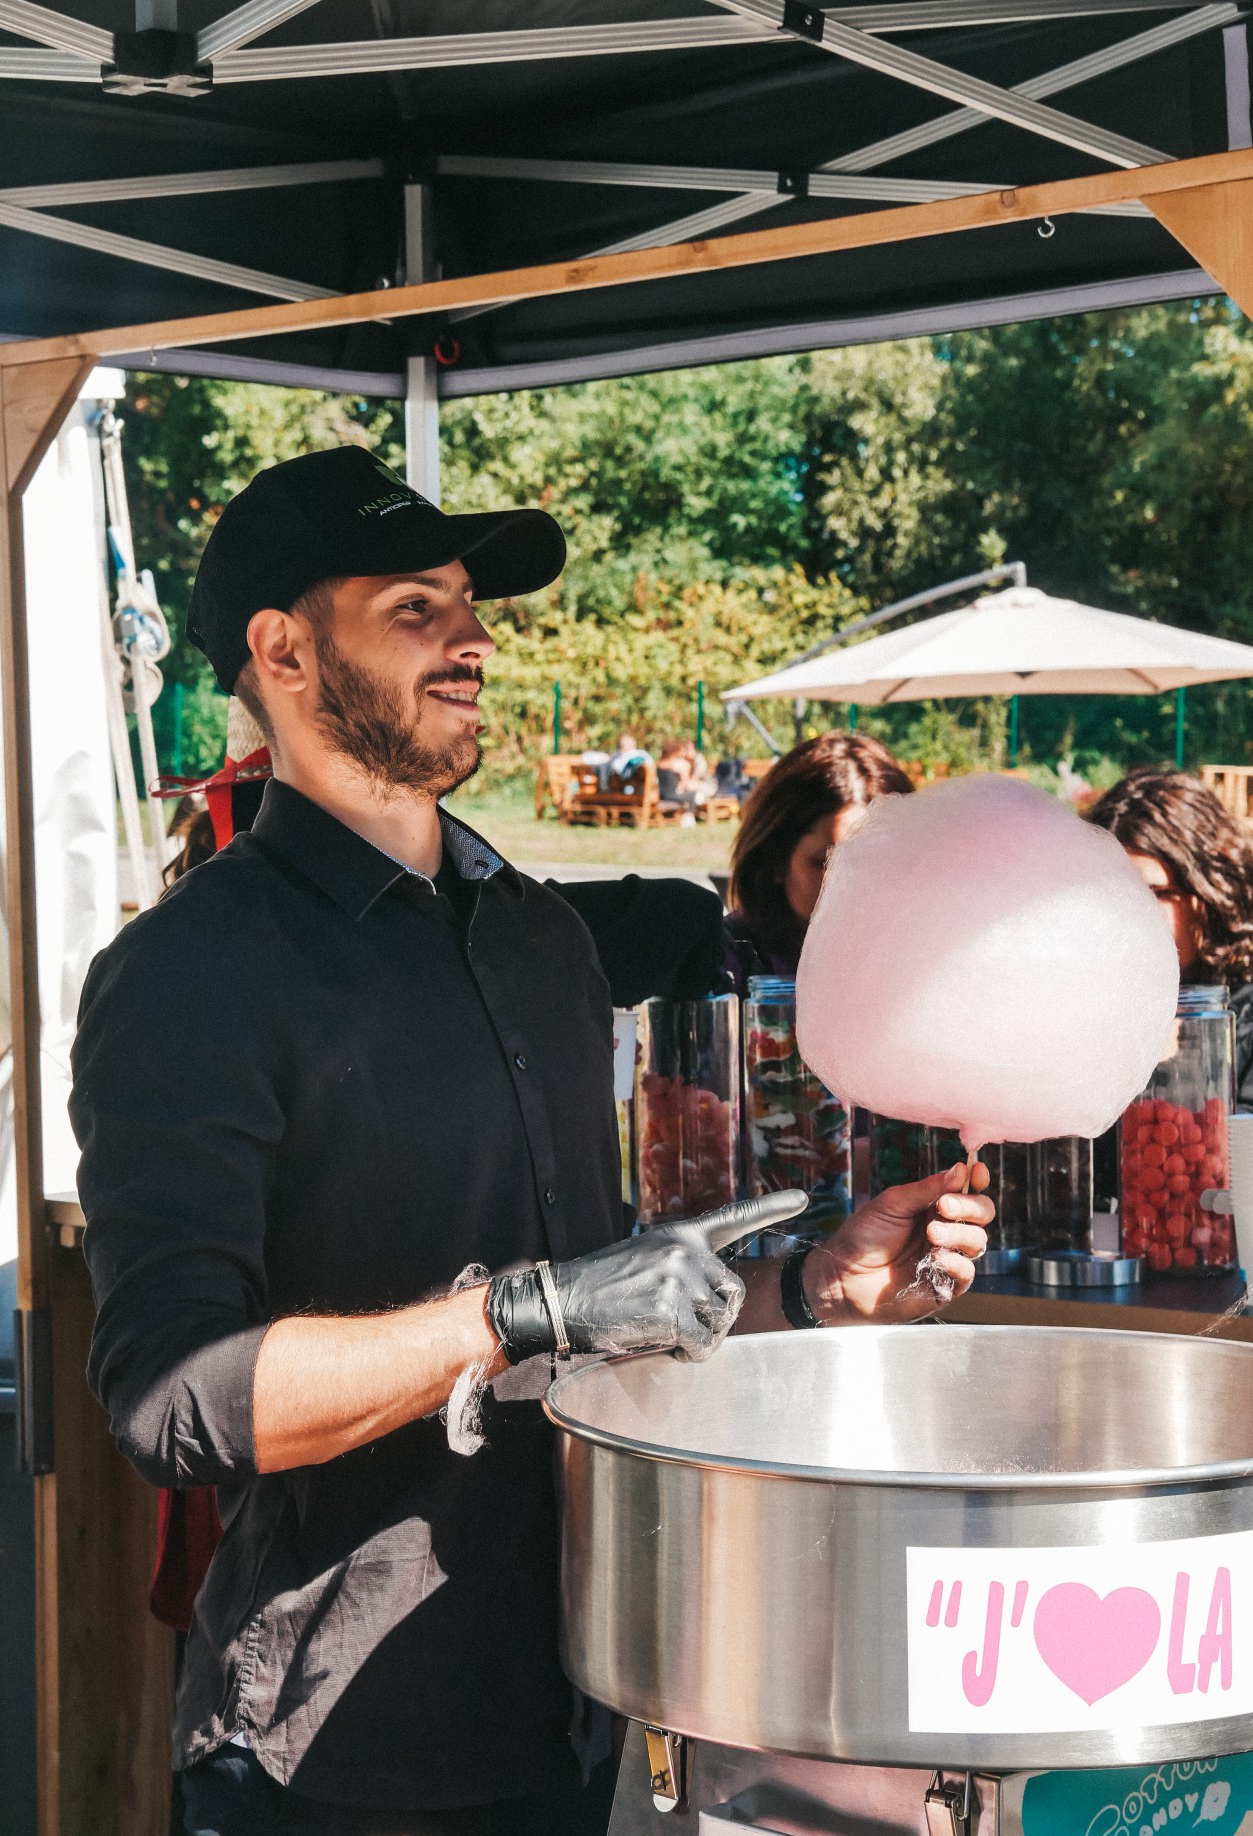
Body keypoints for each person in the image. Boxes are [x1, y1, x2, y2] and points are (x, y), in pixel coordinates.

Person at [69, 446, 992, 1836]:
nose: (473, 639)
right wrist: (519, 1309)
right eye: (413, 608)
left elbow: (587, 1326)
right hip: (335, 1752)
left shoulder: (538, 940)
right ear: (283, 651)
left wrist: (809, 1295)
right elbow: (170, 1401)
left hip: (571, 1699)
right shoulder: (188, 975)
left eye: (466, 604)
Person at [1088, 766, 1253, 1107]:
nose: (1134, 915)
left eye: (1155, 893)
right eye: (1116, 893)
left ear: (1209, 891)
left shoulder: (1245, 1012)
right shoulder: (1083, 1003)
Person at [724, 731, 915, 994]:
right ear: (775, 859)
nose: (852, 883)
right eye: (824, 862)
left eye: (876, 860)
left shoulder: (922, 956)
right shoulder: (729, 965)